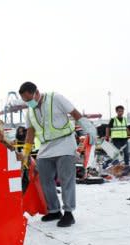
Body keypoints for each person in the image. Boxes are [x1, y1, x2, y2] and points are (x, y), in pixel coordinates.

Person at [19, 82, 96, 227]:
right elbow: (30, 132)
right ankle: (54, 210)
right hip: (45, 148)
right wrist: (26, 152)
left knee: (66, 179)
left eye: (29, 99)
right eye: (25, 101)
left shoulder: (56, 98)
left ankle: (68, 213)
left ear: (36, 92)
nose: (28, 103)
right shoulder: (30, 111)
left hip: (65, 144)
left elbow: (75, 113)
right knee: (45, 180)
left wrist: (89, 129)